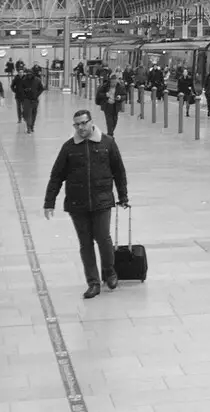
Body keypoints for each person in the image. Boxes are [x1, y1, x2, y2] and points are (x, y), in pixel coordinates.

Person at [42, 109, 128, 299]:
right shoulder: (69, 148)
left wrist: (123, 196)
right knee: (85, 243)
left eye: (83, 123)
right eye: (77, 124)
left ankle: (109, 271)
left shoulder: (107, 143)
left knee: (103, 238)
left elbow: (119, 172)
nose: (81, 127)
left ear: (91, 122)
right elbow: (56, 176)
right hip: (77, 202)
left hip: (102, 201)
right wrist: (49, 202)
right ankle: (93, 282)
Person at [96, 71, 127, 136]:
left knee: (115, 121)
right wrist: (105, 95)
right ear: (110, 81)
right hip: (107, 106)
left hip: (115, 106)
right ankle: (110, 136)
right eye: (112, 82)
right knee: (109, 122)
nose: (114, 84)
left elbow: (125, 95)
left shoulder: (120, 87)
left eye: (115, 82)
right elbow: (99, 94)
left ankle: (110, 134)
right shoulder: (105, 86)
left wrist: (120, 97)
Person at [11, 69, 35, 133]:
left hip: (24, 96)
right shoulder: (16, 78)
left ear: (23, 72)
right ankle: (19, 119)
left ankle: (24, 117)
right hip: (18, 96)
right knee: (18, 108)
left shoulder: (26, 78)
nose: (21, 73)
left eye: (21, 72)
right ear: (18, 73)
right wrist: (15, 91)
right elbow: (12, 86)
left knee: (25, 108)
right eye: (19, 72)